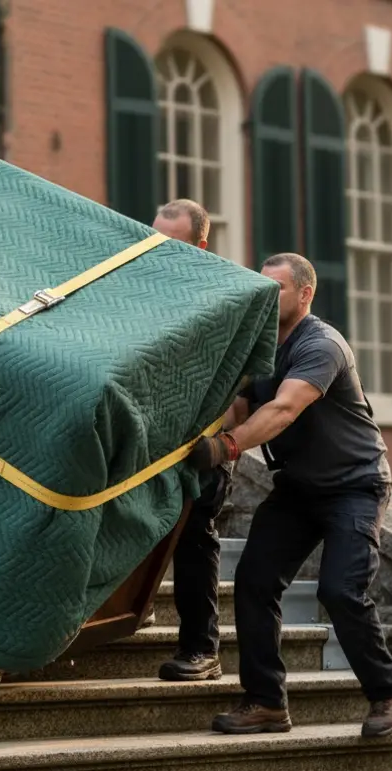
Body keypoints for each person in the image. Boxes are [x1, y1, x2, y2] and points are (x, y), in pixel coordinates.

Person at [188, 252, 392, 737]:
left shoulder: (322, 344)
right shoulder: (260, 345)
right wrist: (195, 435)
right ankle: (267, 702)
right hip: (298, 487)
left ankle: (388, 691)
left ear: (305, 294)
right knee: (254, 581)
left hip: (355, 485)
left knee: (340, 590)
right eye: (262, 287)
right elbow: (241, 406)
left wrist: (223, 448)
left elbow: (285, 409)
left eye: (278, 289)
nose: (268, 296)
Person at [151, 199, 231, 682]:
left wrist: (216, 441)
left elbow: (239, 380)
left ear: (200, 245)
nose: (160, 250)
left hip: (203, 445)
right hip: (152, 437)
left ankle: (203, 649)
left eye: (171, 242)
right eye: (155, 238)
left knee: (195, 540)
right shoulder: (146, 285)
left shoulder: (224, 296)